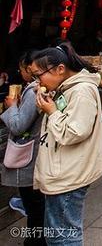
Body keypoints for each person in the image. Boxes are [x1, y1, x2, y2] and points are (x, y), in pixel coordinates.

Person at [30, 42, 102, 245]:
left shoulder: (81, 91)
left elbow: (74, 132)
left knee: (63, 236)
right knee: (59, 233)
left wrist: (52, 112)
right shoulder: (66, 88)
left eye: (38, 75)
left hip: (69, 174)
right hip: (65, 170)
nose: (36, 81)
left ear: (60, 69)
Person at [1, 51, 46, 246]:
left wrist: (11, 106)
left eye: (22, 69)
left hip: (30, 156)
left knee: (34, 207)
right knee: (36, 207)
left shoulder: (34, 90)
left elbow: (19, 125)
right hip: (36, 155)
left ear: (30, 68)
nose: (21, 73)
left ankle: (35, 242)